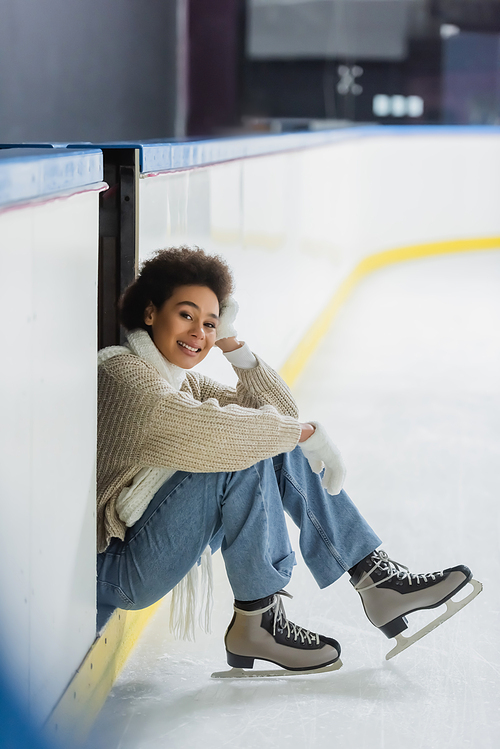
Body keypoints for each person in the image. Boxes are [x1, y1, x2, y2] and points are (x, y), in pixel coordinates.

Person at [96, 246, 480, 676]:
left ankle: (373, 579)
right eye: (186, 315)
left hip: (142, 551)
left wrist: (234, 346)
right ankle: (260, 619)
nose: (198, 333)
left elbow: (279, 413)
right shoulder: (123, 374)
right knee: (245, 443)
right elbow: (222, 432)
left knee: (264, 436)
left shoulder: (179, 379)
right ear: (150, 312)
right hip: (115, 567)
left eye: (210, 323)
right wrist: (304, 434)